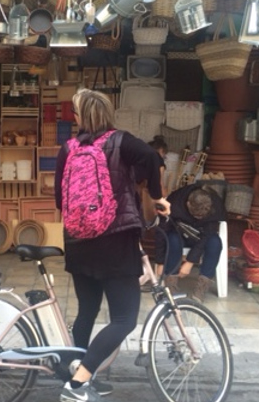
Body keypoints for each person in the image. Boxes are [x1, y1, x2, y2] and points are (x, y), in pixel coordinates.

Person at [54, 89, 170, 402]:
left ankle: (77, 372)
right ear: (108, 114)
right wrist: (157, 196)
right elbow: (152, 157)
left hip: (78, 242)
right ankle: (78, 383)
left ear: (80, 117)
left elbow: (58, 201)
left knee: (87, 311)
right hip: (115, 242)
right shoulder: (121, 142)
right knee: (124, 319)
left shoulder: (68, 149)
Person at [155, 185, 226, 303]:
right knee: (172, 239)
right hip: (180, 233)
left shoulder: (216, 205)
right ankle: (171, 283)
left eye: (201, 216)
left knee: (216, 243)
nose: (198, 218)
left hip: (203, 235)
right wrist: (160, 262)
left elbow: (207, 235)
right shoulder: (175, 201)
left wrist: (190, 261)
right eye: (196, 215)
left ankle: (202, 286)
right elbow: (161, 231)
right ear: (188, 204)